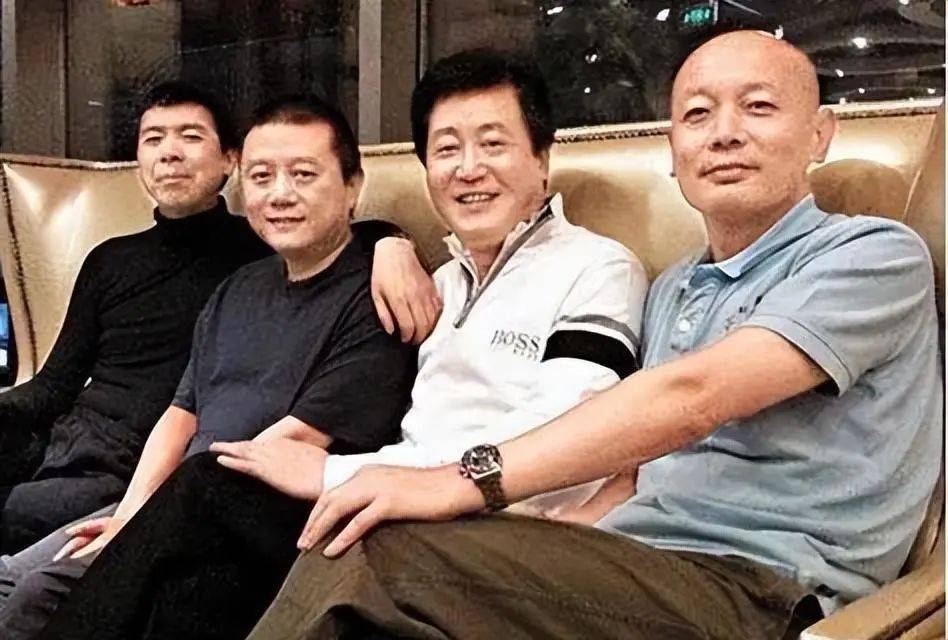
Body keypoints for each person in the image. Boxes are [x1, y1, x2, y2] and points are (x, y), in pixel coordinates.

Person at [235, 32, 941, 640]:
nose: (724, 132)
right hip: (637, 563)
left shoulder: (871, 254)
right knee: (371, 553)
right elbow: (632, 473)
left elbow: (693, 396)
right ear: (673, 150)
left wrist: (456, 485)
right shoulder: (676, 286)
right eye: (697, 114)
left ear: (819, 134)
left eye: (758, 107)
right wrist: (524, 545)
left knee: (377, 552)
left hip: (765, 588)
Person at [36, 51, 650, 640]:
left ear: (542, 158)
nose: (467, 168)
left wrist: (336, 471)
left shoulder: (596, 266)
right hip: (392, 509)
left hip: (492, 523)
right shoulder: (436, 284)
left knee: (208, 489)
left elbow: (565, 430)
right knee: (199, 584)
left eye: (493, 144)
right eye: (446, 149)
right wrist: (391, 243)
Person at [0, 84, 434, 638]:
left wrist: (394, 241)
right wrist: (131, 513)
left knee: (37, 595)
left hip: (246, 515)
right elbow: (180, 412)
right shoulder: (238, 286)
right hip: (169, 495)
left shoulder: (375, 297)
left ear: (353, 186)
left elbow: (289, 445)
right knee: (12, 583)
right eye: (263, 177)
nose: (280, 194)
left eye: (303, 175)